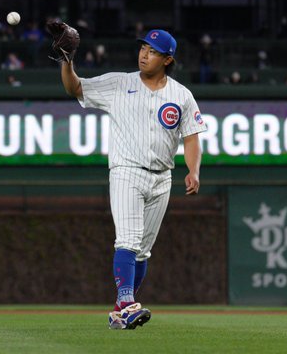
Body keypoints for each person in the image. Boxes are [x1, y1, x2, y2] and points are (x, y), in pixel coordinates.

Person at [56, 24, 206, 332]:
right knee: (127, 239)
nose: (144, 55)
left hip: (162, 178)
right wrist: (66, 60)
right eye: (143, 48)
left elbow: (191, 137)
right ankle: (126, 302)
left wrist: (193, 171)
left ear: (167, 59)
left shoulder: (182, 95)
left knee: (143, 250)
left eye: (152, 52)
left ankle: (119, 313)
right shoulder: (118, 83)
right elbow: (75, 89)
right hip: (126, 171)